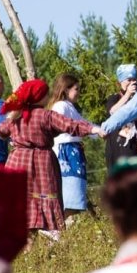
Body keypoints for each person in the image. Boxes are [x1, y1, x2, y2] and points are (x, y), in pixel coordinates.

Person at [0, 79, 103, 242]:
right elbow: (70, 125)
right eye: (46, 94)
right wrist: (93, 129)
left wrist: (14, 134)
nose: (48, 96)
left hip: (17, 162)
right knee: (42, 200)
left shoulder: (15, 116)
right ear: (40, 97)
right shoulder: (46, 115)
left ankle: (27, 251)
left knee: (23, 206)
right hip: (42, 163)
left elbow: (1, 130)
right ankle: (45, 244)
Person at [48, 74, 95, 221]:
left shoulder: (70, 107)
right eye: (76, 89)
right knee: (70, 198)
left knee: (75, 198)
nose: (79, 92)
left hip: (73, 152)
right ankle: (62, 231)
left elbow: (85, 125)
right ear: (65, 89)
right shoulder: (60, 106)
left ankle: (66, 231)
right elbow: (58, 125)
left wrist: (103, 130)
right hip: (66, 154)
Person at [104, 63, 137, 175]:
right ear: (120, 82)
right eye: (128, 80)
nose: (132, 83)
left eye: (134, 80)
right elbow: (112, 112)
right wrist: (127, 95)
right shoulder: (114, 98)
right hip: (119, 150)